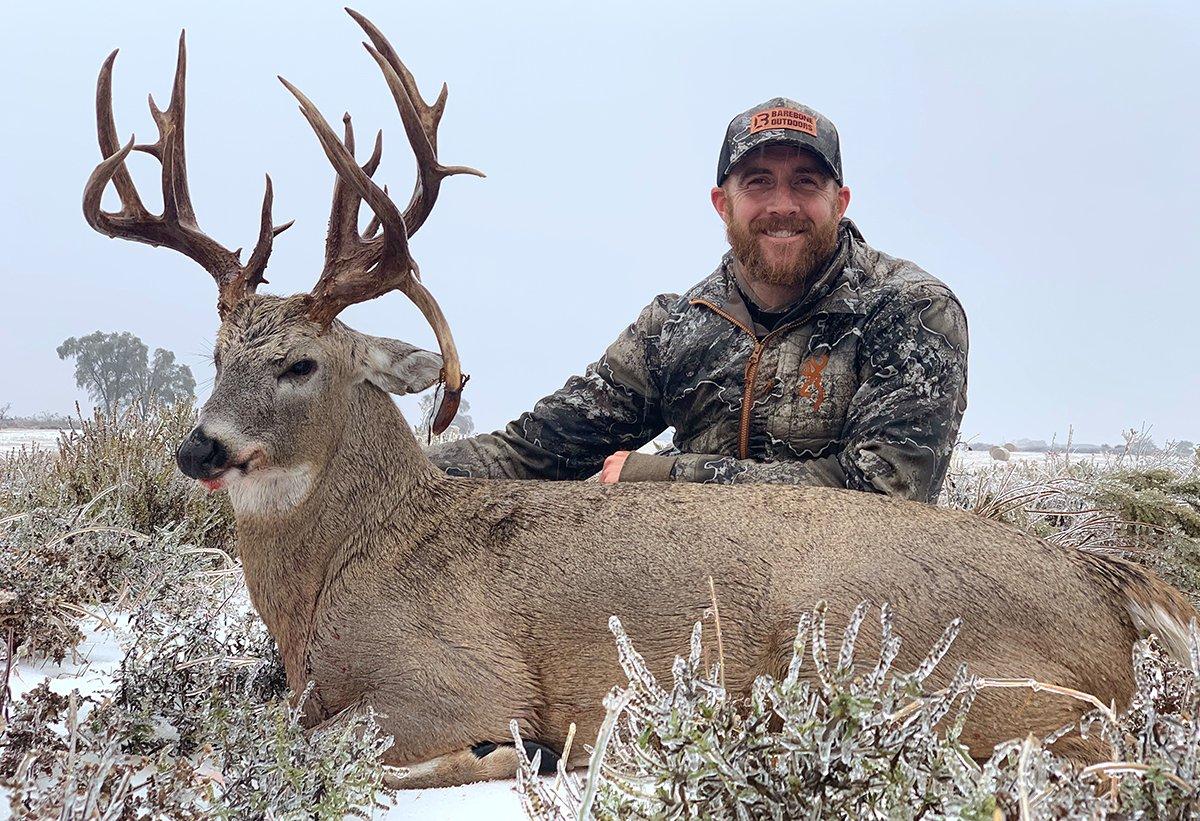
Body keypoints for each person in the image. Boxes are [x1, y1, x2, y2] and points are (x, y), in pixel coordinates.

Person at [427, 98, 968, 503]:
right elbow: (538, 449)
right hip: (691, 609)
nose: (783, 205)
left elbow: (882, 496)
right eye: (759, 182)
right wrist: (396, 467)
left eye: (805, 183)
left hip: (846, 612)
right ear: (721, 203)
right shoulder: (675, 330)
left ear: (839, 200)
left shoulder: (910, 311)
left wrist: (667, 475)